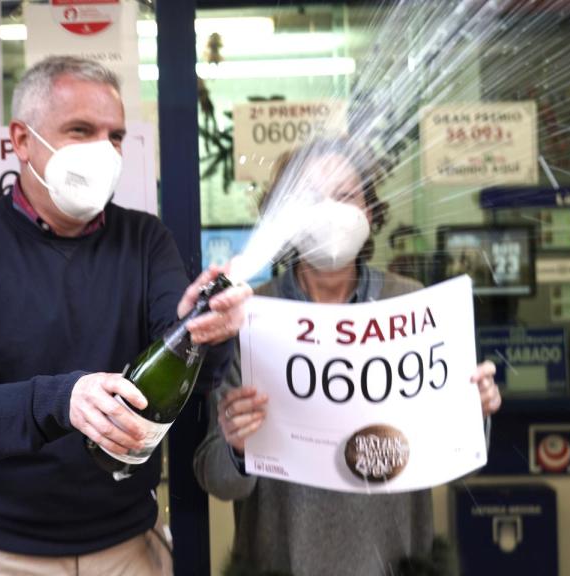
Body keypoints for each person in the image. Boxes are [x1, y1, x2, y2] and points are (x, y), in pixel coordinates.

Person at [0, 56, 251, 575]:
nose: (104, 151)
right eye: (81, 130)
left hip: (125, 549)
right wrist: (62, 400)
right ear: (22, 141)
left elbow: (189, 383)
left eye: (115, 136)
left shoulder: (145, 240)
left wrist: (204, 333)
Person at [193, 140, 501, 576]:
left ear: (369, 212)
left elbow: (459, 465)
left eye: (345, 196)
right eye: (310, 200)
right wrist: (237, 445)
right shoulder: (248, 319)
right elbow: (218, 480)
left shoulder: (413, 307)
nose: (329, 213)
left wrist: (472, 414)